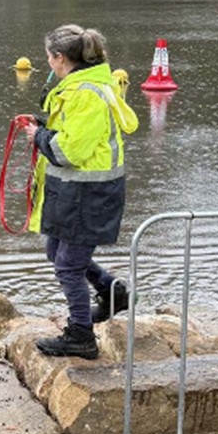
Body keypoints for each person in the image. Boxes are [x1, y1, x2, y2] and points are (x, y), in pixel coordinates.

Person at [21, 24, 138, 360]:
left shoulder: (86, 93)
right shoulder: (82, 87)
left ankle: (82, 336)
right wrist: (45, 128)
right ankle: (113, 292)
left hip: (89, 194)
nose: (47, 63)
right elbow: (75, 135)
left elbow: (69, 151)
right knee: (55, 251)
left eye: (48, 57)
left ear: (60, 59)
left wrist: (38, 138)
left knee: (68, 266)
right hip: (76, 190)